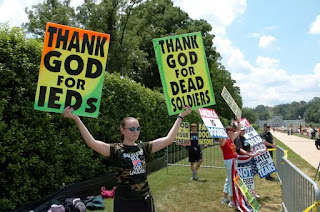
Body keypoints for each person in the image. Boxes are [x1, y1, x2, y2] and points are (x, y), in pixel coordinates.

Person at [63, 105, 192, 212]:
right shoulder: (115, 149)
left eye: (138, 128)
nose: (136, 131)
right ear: (123, 130)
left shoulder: (143, 147)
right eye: (132, 129)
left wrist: (180, 116)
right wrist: (76, 119)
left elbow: (168, 139)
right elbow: (92, 143)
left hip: (144, 200)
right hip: (124, 202)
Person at [219, 119, 240, 208]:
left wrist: (238, 122)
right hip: (229, 161)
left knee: (229, 179)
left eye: (232, 131)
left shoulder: (230, 139)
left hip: (233, 160)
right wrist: (223, 133)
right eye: (231, 131)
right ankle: (232, 200)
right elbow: (221, 142)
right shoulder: (224, 140)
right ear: (227, 132)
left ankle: (225, 198)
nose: (233, 132)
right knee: (232, 180)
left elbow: (238, 131)